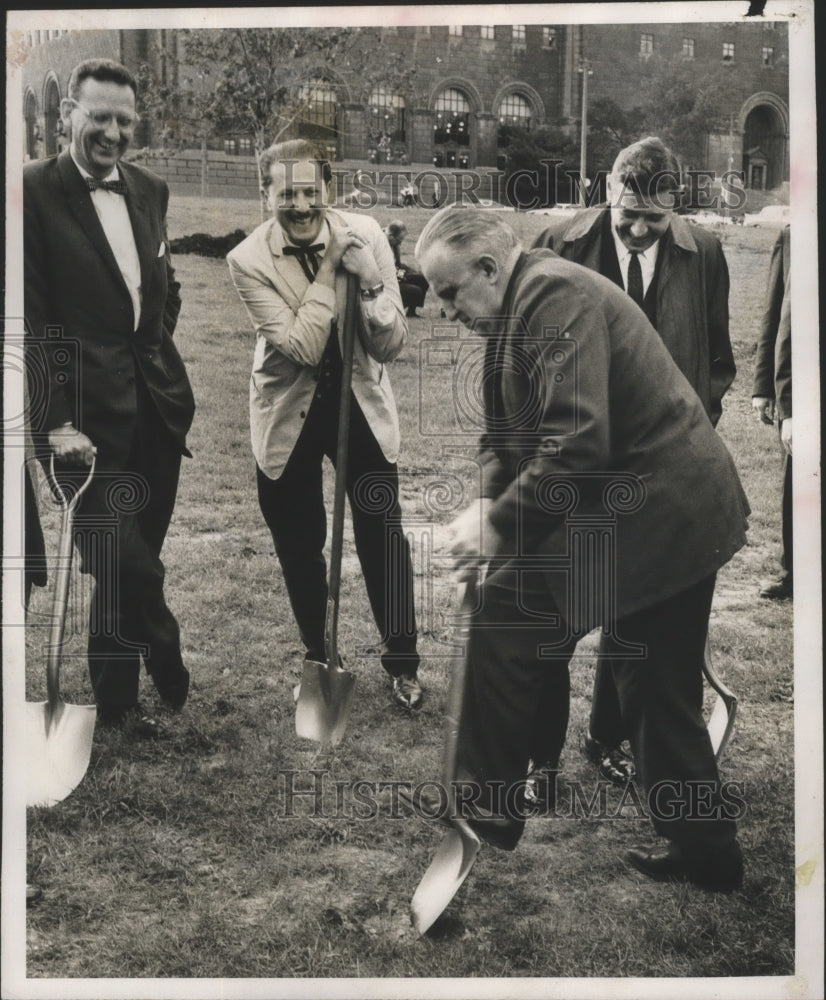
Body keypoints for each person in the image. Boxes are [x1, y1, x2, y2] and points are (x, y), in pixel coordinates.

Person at [411, 208, 749, 890]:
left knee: (641, 678)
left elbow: (575, 444)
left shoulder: (554, 297)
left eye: (448, 292)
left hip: (668, 512)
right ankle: (492, 804)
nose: (442, 310)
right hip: (625, 508)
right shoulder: (509, 315)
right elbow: (501, 437)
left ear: (488, 269)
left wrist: (499, 526)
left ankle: (701, 850)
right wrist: (487, 506)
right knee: (592, 654)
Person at [532, 136, 736, 787]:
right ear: (607, 192)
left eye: (656, 217)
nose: (641, 230)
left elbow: (717, 358)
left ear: (675, 206)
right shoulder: (558, 245)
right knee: (552, 615)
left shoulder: (704, 252)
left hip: (660, 468)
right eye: (630, 215)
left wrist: (687, 432)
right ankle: (538, 759)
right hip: (577, 465)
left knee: (639, 612)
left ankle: (609, 736)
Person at [24, 58, 196, 738]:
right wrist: (55, 422)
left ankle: (117, 704)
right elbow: (32, 322)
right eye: (100, 118)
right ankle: (164, 645)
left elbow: (163, 287)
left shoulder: (150, 189)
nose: (114, 133)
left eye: (125, 121)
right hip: (80, 426)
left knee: (131, 554)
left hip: (155, 409)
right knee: (123, 559)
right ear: (70, 113)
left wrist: (151, 350)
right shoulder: (30, 191)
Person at [227, 140, 422, 709]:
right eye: (286, 193)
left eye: (310, 191)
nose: (300, 204)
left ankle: (403, 662)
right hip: (288, 406)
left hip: (359, 400)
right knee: (299, 538)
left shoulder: (367, 234)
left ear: (328, 190)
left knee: (383, 532)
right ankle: (320, 654)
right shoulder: (248, 260)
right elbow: (303, 347)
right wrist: (332, 266)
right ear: (266, 195)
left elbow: (391, 344)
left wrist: (372, 283)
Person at [752, 225, 792, 599]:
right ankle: (793, 571)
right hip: (798, 388)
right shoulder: (791, 237)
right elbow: (774, 312)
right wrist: (764, 387)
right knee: (797, 481)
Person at [383, 221, 429, 318]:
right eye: (399, 240)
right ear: (391, 235)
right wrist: (400, 276)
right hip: (385, 281)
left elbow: (398, 265)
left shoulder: (391, 240)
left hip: (394, 272)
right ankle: (394, 310)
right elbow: (384, 271)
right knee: (415, 291)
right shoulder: (380, 244)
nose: (400, 243)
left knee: (422, 279)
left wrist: (405, 271)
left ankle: (411, 312)